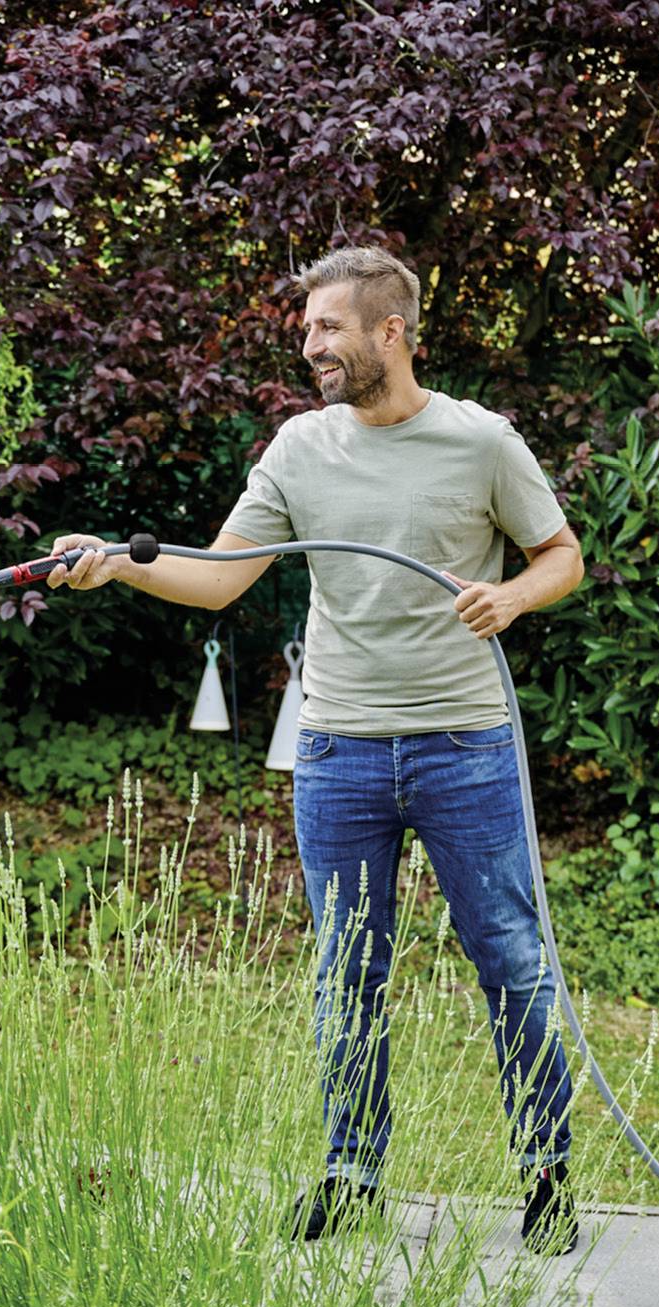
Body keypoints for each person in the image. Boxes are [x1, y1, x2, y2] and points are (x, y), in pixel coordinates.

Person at [44, 245, 585, 1253]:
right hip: (336, 750)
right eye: (306, 329)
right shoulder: (298, 447)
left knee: (510, 959)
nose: (309, 345)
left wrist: (510, 594)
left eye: (326, 327)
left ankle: (546, 1169)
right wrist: (115, 564)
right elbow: (217, 577)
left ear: (391, 331)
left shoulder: (480, 442)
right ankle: (351, 1171)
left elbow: (562, 555)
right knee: (345, 969)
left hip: (464, 743)